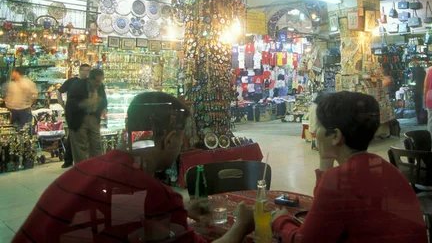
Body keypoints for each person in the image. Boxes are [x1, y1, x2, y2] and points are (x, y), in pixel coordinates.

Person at [13, 92, 253, 243]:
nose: (180, 147)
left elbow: (117, 215)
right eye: (180, 140)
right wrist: (243, 225)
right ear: (169, 139)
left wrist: (171, 212)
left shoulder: (86, 168)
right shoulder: (153, 194)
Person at [271, 91, 427, 243]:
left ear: (335, 136)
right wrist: (325, 161)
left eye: (318, 126)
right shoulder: (386, 169)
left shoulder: (339, 180)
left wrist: (280, 221)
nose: (315, 132)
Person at [65, 68, 107, 164]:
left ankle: (96, 167)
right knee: (80, 147)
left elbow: (104, 100)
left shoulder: (100, 86)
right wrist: (84, 104)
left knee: (96, 145)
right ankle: (82, 169)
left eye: (101, 81)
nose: (99, 84)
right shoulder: (77, 86)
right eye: (97, 81)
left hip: (93, 118)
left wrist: (102, 108)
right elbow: (71, 104)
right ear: (90, 79)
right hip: (78, 119)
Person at [56, 63, 91, 168]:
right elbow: (59, 91)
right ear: (80, 71)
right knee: (74, 134)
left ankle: (71, 159)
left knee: (76, 136)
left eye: (89, 70)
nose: (87, 73)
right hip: (73, 113)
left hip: (85, 112)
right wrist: (62, 104)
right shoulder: (72, 81)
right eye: (85, 70)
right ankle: (70, 159)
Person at [410, 56, 426, 124]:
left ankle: (419, 120)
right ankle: (422, 118)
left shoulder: (414, 69)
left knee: (417, 105)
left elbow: (413, 79)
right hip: (423, 88)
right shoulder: (422, 69)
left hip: (417, 89)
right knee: (422, 105)